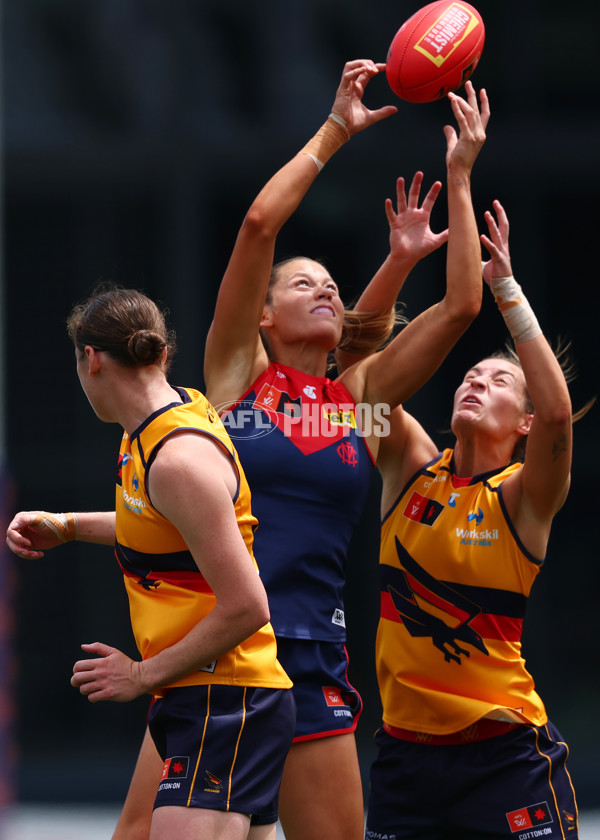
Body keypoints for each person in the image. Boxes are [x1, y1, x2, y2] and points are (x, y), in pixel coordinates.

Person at [7, 61, 489, 839]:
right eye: (305, 284)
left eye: (335, 285)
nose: (326, 290)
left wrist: (459, 176)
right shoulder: (236, 384)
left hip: (309, 657)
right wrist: (334, 130)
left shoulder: (360, 407)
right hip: (217, 657)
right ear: (262, 318)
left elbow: (461, 304)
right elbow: (261, 227)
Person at [6, 287, 295, 840]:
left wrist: (139, 675)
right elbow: (166, 530)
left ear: (90, 359)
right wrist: (67, 526)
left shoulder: (177, 459)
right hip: (202, 695)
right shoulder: (154, 426)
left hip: (226, 697)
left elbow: (248, 605)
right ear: (161, 353)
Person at [363, 200, 581, 839]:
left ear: (525, 422)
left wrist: (504, 290)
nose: (475, 383)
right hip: (404, 759)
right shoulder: (407, 466)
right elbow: (358, 387)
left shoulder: (524, 497)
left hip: (505, 756)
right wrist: (401, 260)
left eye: (498, 382)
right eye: (469, 374)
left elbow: (561, 418)